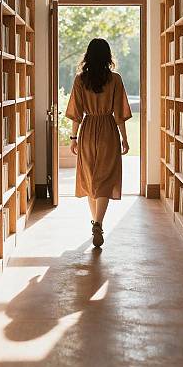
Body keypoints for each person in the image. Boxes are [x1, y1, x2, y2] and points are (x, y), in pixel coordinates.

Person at [65, 38, 132, 247]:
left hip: (87, 130)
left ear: (88, 56)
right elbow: (120, 114)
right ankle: (98, 223)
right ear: (107, 56)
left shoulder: (80, 80)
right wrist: (125, 138)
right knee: (105, 178)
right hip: (108, 131)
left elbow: (76, 114)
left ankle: (95, 221)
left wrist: (73, 138)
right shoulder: (115, 79)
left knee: (89, 178)